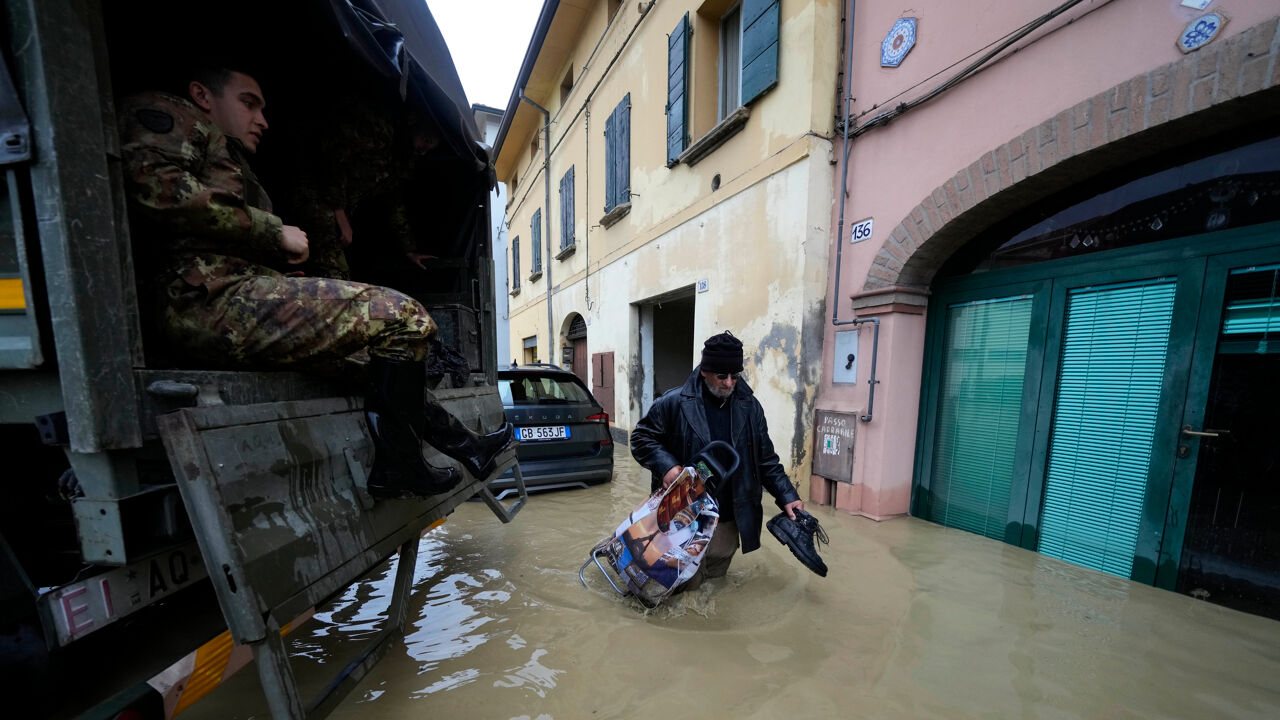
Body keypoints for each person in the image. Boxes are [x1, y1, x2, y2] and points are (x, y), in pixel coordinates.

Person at [118, 63, 514, 499]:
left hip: (228, 293)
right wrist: (274, 231)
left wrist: (276, 270)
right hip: (201, 299)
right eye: (249, 104)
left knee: (373, 363)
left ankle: (466, 447)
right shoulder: (171, 113)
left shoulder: (230, 156)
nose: (262, 119)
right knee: (404, 319)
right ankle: (398, 468)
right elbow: (158, 190)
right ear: (202, 94)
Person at [630, 331, 803, 591]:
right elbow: (641, 439)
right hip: (682, 519)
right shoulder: (672, 403)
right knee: (678, 589)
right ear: (704, 371)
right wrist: (668, 467)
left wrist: (788, 496)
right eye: (722, 376)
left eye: (735, 376)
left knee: (712, 587)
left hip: (728, 520)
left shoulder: (751, 408)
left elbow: (766, 459)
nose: (729, 383)